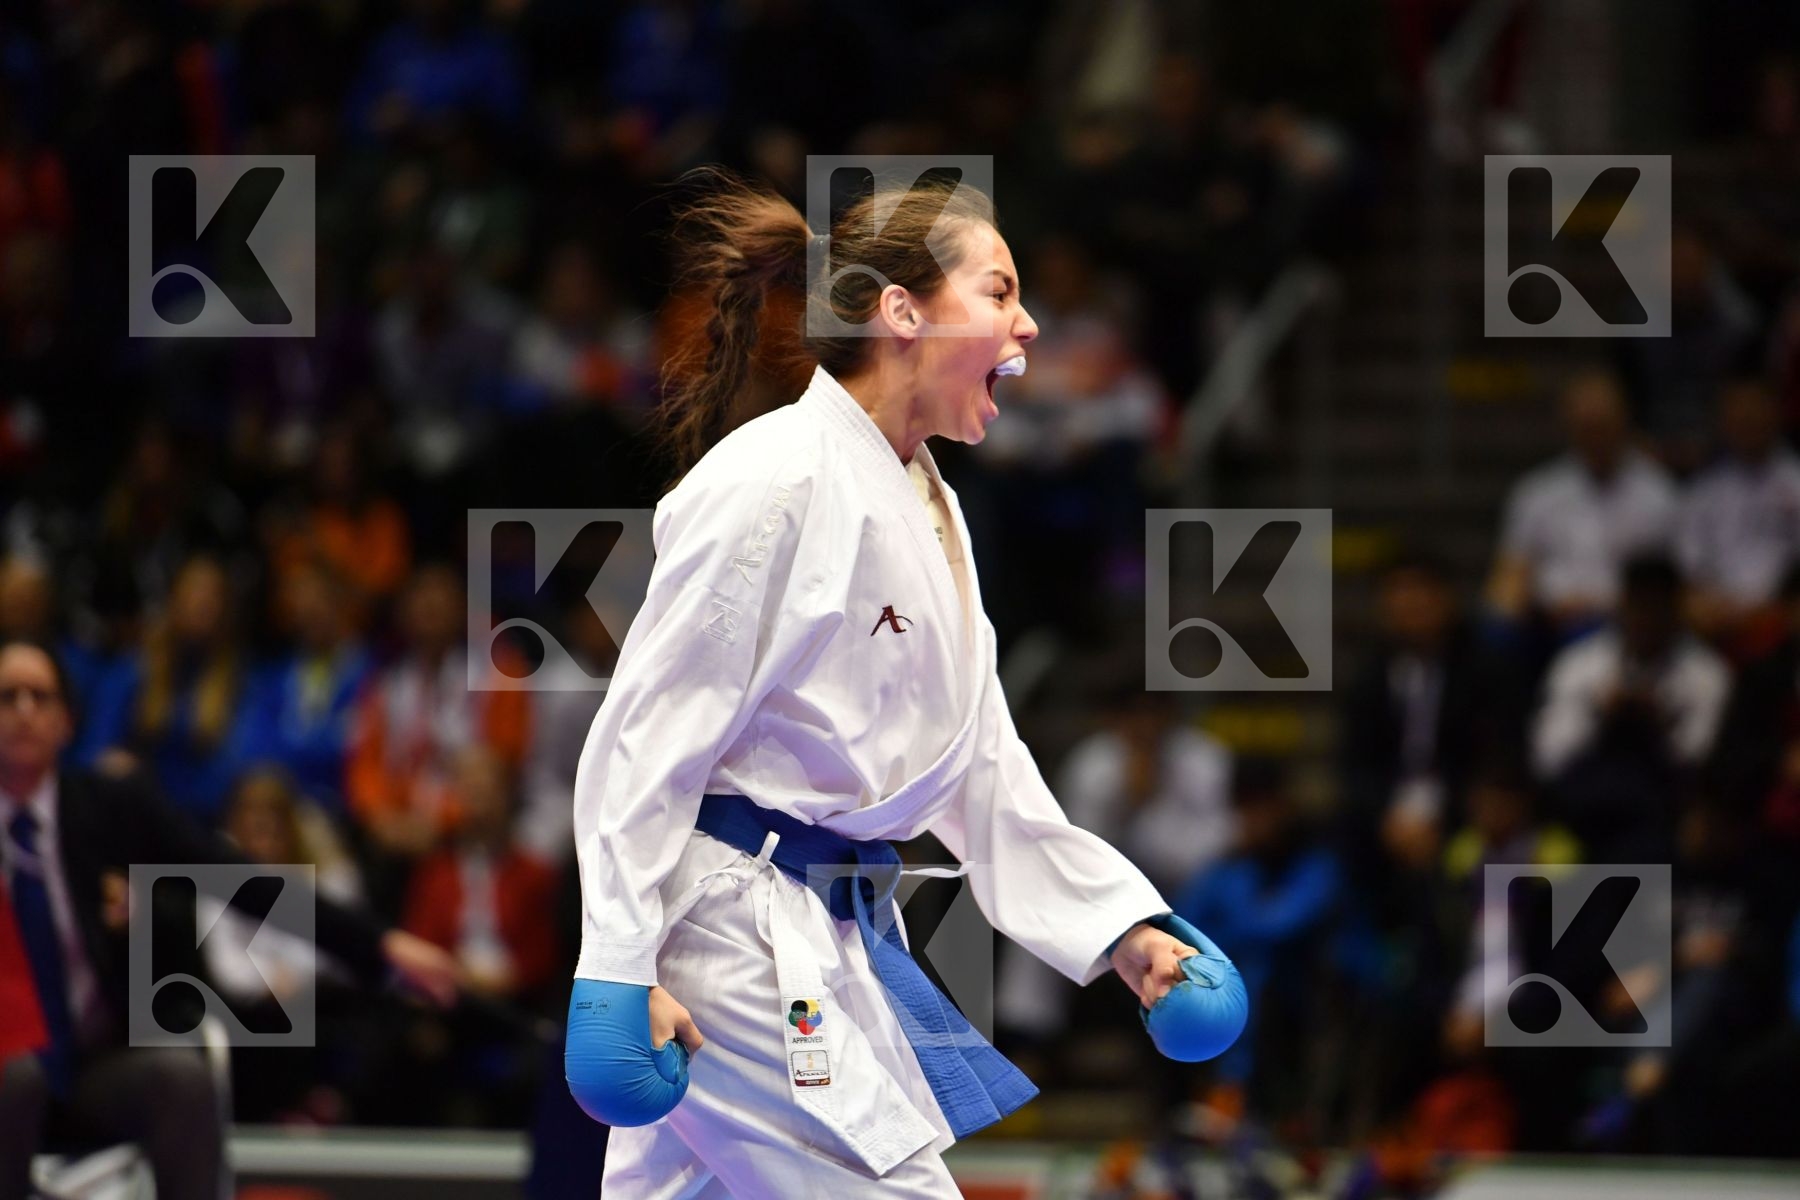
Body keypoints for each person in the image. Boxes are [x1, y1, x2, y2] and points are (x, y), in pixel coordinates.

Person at [564, 171, 1246, 1197]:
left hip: (816, 929)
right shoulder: (776, 479)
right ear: (902, 312)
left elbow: (979, 763)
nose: (1028, 323)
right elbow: (646, 735)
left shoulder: (931, 503)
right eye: (999, 291)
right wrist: (615, 961)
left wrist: (1119, 930)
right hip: (734, 935)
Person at [0, 637, 461, 1200]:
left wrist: (380, 943)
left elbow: (238, 879)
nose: (24, 711)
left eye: (39, 696)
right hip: (6, 1074)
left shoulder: (103, 807)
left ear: (67, 722)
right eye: (8, 696)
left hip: (87, 1069)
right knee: (14, 1073)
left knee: (180, 1078)